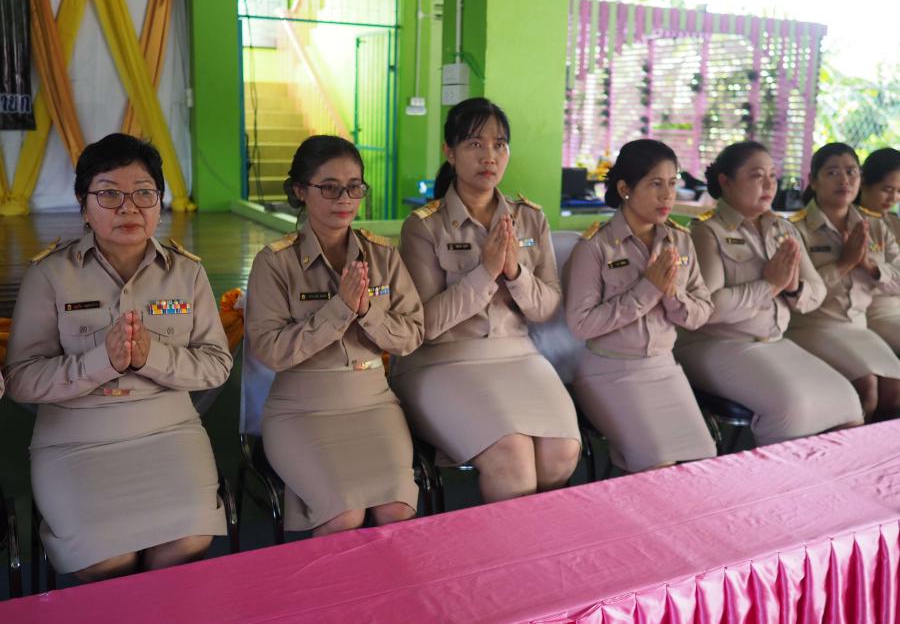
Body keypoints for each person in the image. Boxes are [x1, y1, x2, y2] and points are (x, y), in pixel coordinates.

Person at [3, 134, 231, 582]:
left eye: (144, 193)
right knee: (108, 562)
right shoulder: (50, 274)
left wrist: (150, 357)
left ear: (159, 201)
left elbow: (218, 365)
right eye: (109, 194)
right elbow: (22, 380)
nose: (129, 208)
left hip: (169, 433)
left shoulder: (187, 272)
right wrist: (100, 362)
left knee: (187, 542)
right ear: (83, 203)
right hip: (75, 443)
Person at [391, 98, 581, 504]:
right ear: (450, 151)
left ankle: (530, 542)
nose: (489, 156)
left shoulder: (530, 218)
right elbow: (424, 325)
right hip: (443, 360)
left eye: (499, 145)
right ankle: (507, 546)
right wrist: (485, 272)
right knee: (512, 458)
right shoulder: (424, 226)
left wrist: (514, 273)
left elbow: (547, 307)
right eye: (475, 144)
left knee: (562, 454)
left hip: (518, 355)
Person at [246, 135, 423, 536]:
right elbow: (270, 351)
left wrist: (367, 311)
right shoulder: (275, 263)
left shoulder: (383, 256)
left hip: (373, 403)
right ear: (300, 191)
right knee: (344, 516)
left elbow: (412, 335)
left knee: (396, 509)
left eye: (354, 187)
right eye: (329, 187)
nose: (344, 199)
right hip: (301, 409)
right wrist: (340, 309)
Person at [674, 141, 863, 443]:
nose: (768, 185)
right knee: (793, 410)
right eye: (756, 176)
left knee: (848, 401)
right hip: (717, 343)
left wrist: (793, 287)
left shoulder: (783, 230)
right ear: (726, 181)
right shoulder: (707, 231)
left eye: (772, 176)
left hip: (774, 342)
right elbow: (708, 307)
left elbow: (815, 292)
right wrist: (769, 285)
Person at [565, 139, 716, 472]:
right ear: (625, 188)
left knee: (703, 465)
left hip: (664, 367)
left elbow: (702, 312)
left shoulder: (680, 240)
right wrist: (647, 290)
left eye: (672, 184)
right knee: (659, 466)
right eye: (655, 184)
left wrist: (671, 294)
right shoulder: (596, 246)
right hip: (609, 371)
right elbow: (581, 324)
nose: (667, 196)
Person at [786, 143, 900, 420]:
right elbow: (798, 294)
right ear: (814, 181)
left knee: (896, 392)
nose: (844, 180)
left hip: (858, 326)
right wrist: (844, 264)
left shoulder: (875, 226)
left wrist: (870, 267)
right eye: (833, 172)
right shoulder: (793, 228)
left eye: (851, 172)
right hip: (812, 326)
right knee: (867, 389)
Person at [857, 147, 900, 352]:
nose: (893, 198)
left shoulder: (893, 223)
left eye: (899, 191)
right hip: (876, 312)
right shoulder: (852, 223)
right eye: (887, 189)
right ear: (864, 182)